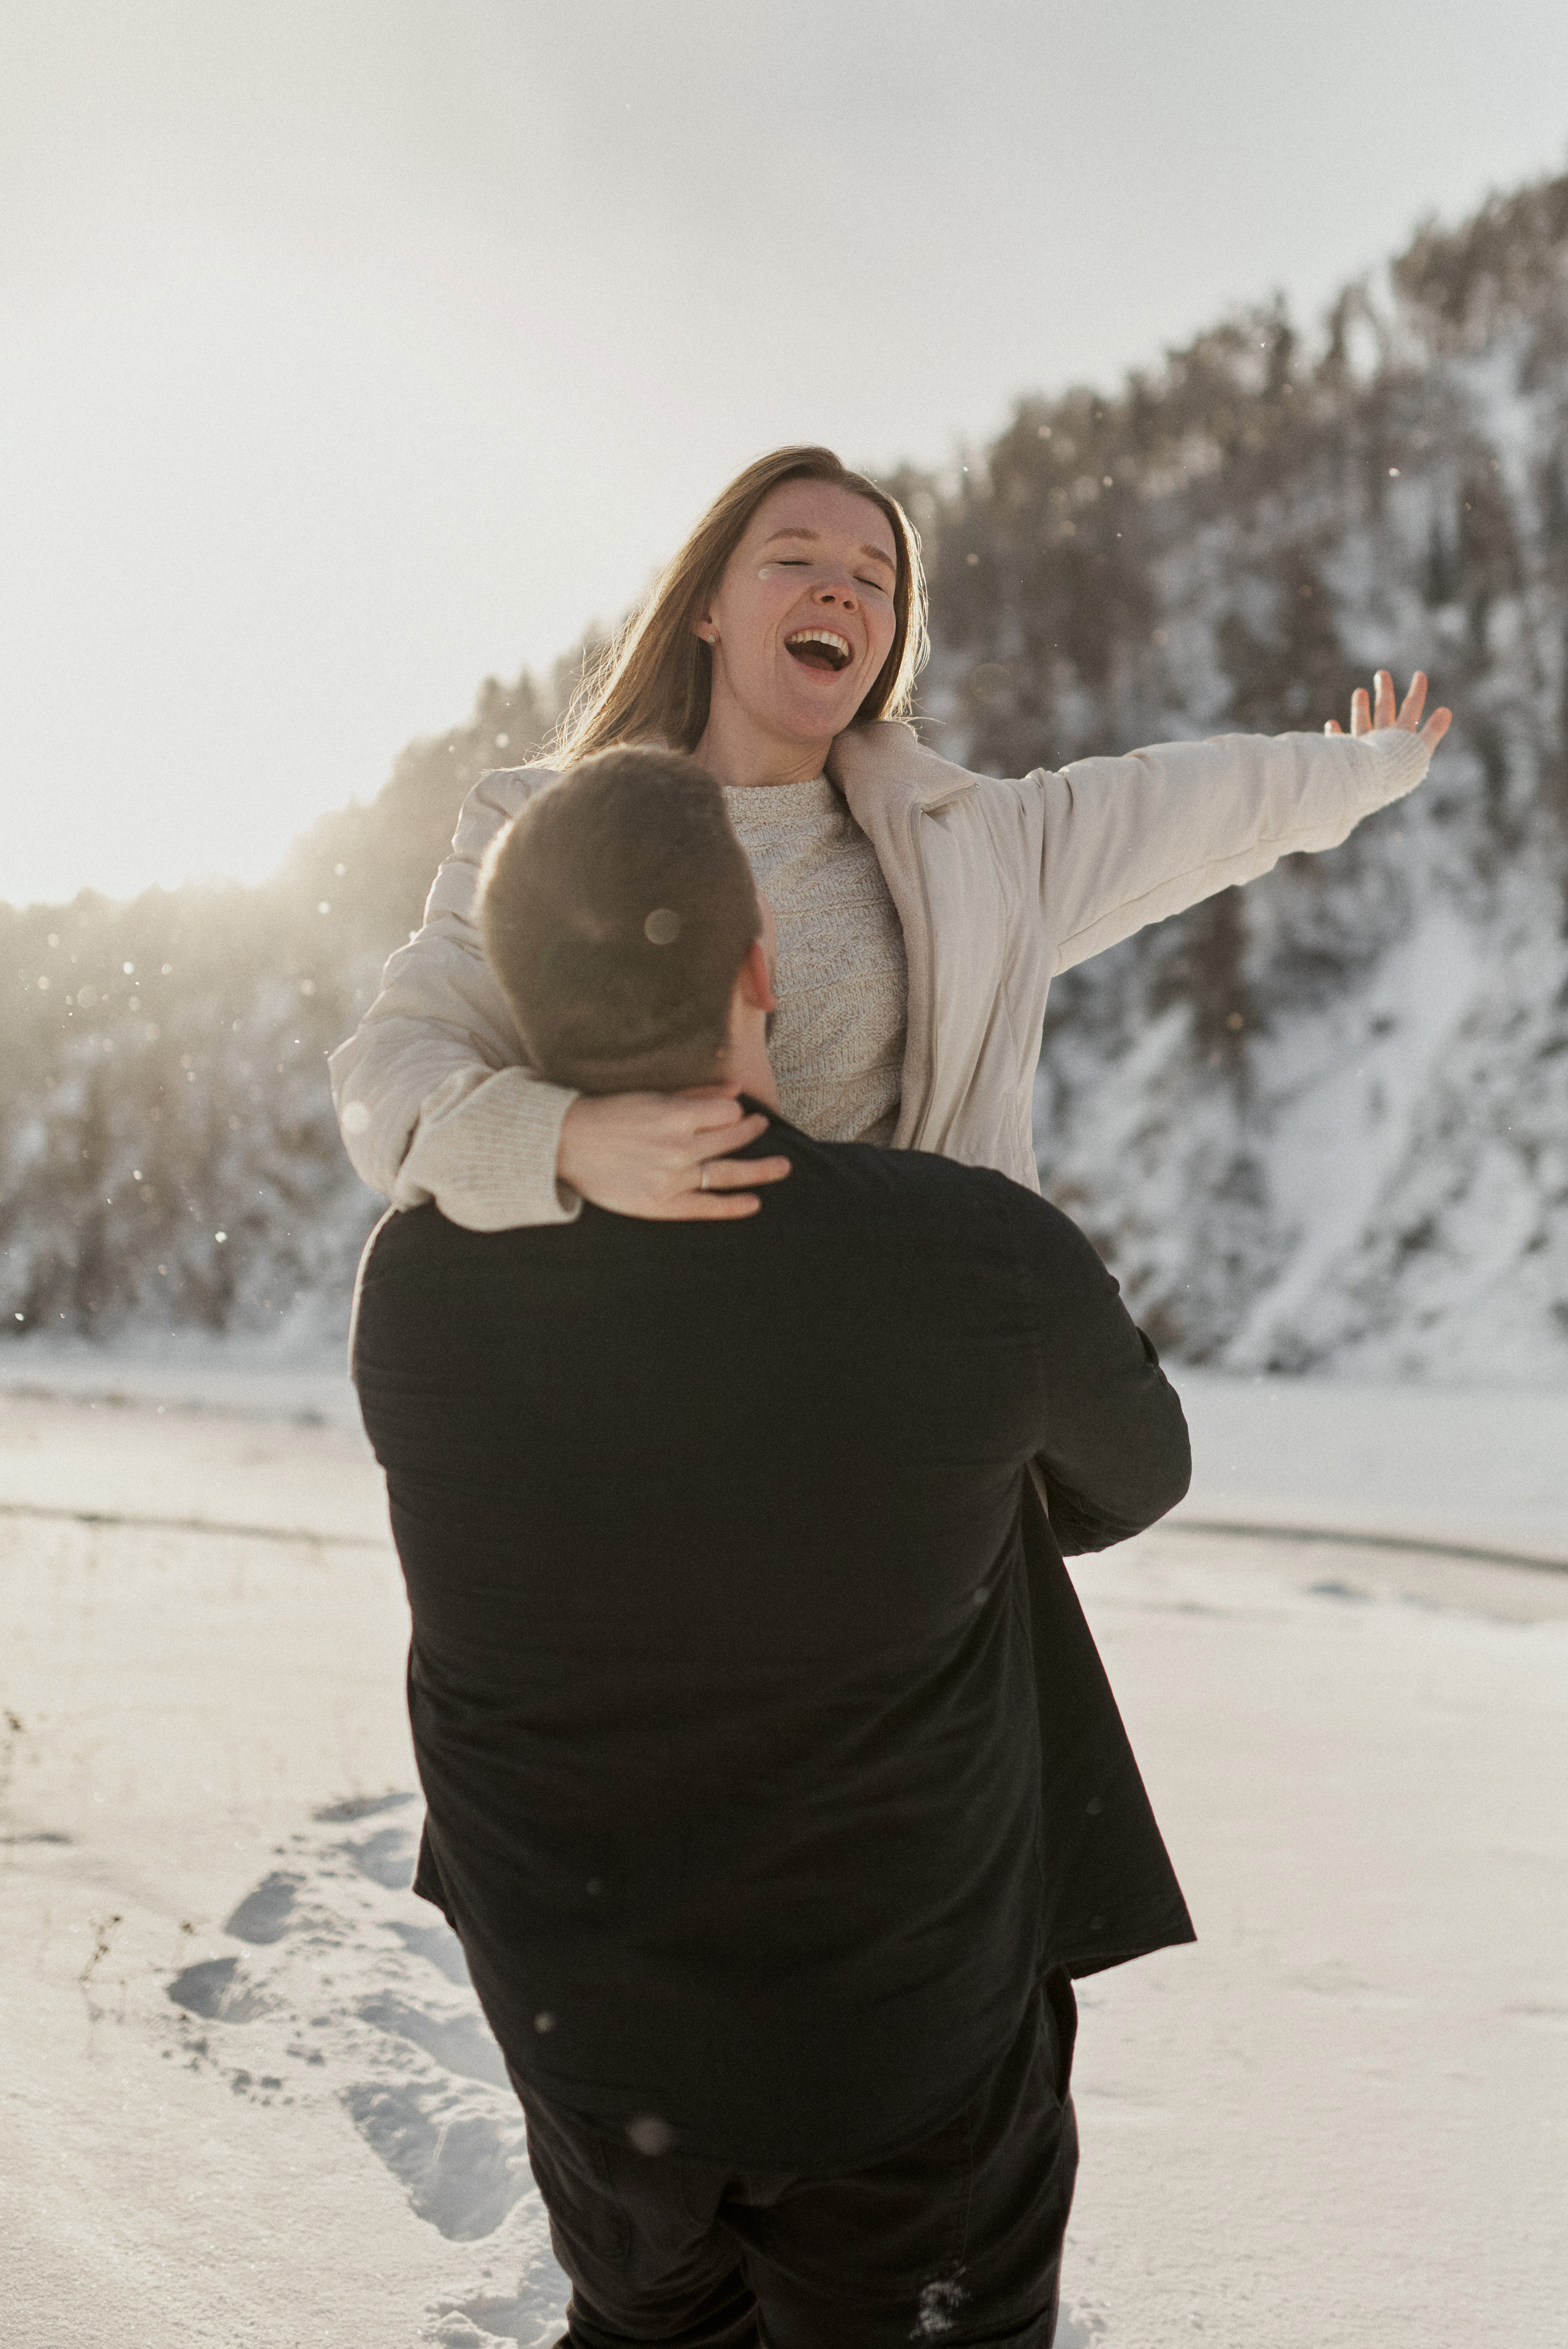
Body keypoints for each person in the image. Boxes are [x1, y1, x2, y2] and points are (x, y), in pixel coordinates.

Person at [352, 745, 1194, 2349]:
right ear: (761, 970)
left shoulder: (417, 1290)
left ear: (517, 1019)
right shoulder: (974, 1260)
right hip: (898, 2065)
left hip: (587, 2049)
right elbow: (1134, 1475)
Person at [328, 442, 1451, 1237]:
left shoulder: (975, 850)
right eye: (797, 559)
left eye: (876, 579)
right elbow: (393, 1075)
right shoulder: (540, 831)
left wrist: (1360, 769)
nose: (844, 589)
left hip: (877, 1406)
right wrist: (570, 1141)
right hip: (624, 1383)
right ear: (708, 608)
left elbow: (1193, 800)